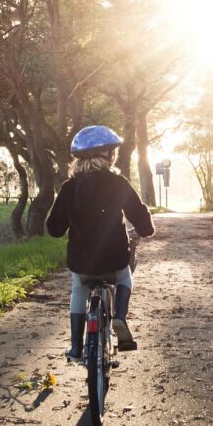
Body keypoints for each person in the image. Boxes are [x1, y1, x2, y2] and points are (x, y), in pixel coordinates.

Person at [46, 125, 155, 360]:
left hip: (82, 263)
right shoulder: (118, 184)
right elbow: (142, 222)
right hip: (114, 260)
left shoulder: (68, 188)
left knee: (79, 289)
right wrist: (145, 227)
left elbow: (53, 229)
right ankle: (119, 318)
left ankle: (76, 347)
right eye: (112, 152)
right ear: (107, 156)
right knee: (125, 278)